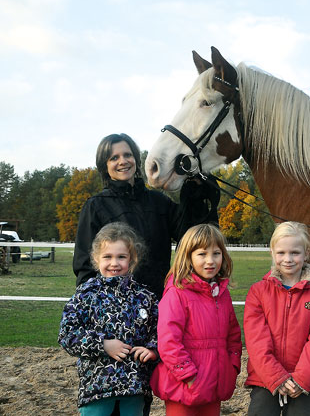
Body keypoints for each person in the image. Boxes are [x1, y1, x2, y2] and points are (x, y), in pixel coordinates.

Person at [73, 133, 220, 298]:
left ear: (135, 158)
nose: (123, 161)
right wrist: (95, 306)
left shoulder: (158, 201)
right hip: (117, 311)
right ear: (105, 166)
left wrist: (196, 190)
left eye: (127, 155)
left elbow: (189, 233)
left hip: (159, 304)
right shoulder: (95, 205)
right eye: (114, 158)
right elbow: (84, 265)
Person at [59, 222, 159, 416]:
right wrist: (103, 345)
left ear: (132, 259)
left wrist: (152, 349)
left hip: (134, 388)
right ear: (97, 259)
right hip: (97, 390)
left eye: (121, 256)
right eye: (108, 257)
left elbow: (160, 330)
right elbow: (67, 334)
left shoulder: (145, 297)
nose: (114, 263)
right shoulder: (85, 295)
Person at [244, 221, 310, 416]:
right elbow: (256, 341)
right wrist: (276, 377)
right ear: (272, 252)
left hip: (303, 382)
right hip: (265, 379)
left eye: (295, 252)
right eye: (281, 253)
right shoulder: (258, 292)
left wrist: (301, 379)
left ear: (307, 253)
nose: (288, 259)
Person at [150, 224, 241, 416]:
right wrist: (188, 375)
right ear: (188, 257)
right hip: (184, 386)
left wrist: (231, 366)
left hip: (215, 384)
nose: (210, 261)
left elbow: (233, 335)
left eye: (216, 253)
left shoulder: (222, 294)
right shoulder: (177, 293)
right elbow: (168, 341)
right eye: (202, 254)